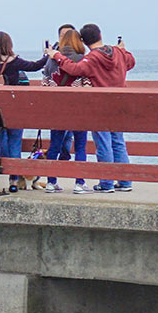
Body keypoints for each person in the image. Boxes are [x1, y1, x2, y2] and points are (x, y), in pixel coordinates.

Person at [54, 23, 137, 191]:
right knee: (118, 141)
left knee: (103, 142)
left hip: (101, 105)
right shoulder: (118, 52)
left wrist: (57, 56)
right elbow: (131, 62)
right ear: (100, 34)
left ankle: (106, 183)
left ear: (83, 41)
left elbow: (74, 69)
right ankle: (125, 181)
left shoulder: (92, 58)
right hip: (119, 103)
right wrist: (124, 50)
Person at [0, 31, 51, 189]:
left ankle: (5, 170)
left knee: (1, 141)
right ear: (9, 44)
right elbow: (35, 66)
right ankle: (14, 180)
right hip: (13, 107)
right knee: (15, 141)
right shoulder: (13, 61)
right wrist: (48, 55)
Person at [45, 27, 91, 192]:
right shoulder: (82, 59)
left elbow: (45, 84)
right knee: (80, 146)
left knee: (55, 146)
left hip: (57, 109)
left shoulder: (51, 60)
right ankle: (79, 182)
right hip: (78, 109)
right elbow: (87, 85)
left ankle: (51, 182)